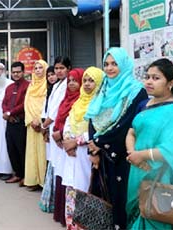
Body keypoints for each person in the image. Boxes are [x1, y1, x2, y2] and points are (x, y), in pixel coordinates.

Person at [126, 58, 173, 229]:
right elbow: (132, 131)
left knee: (157, 218)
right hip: (138, 171)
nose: (149, 81)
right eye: (147, 76)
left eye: (156, 78)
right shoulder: (146, 104)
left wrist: (141, 155)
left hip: (163, 178)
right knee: (138, 214)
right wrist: (132, 153)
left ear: (171, 83)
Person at [84, 47, 148, 229]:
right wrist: (92, 149)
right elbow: (92, 118)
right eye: (106, 64)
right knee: (102, 199)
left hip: (120, 156)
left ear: (124, 65)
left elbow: (128, 124)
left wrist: (99, 143)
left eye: (114, 64)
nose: (110, 68)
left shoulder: (136, 91)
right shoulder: (103, 88)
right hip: (100, 156)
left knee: (121, 201)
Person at [61, 67, 103, 228]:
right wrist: (67, 141)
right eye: (85, 80)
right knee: (72, 189)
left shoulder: (100, 104)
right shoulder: (79, 101)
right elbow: (68, 122)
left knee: (85, 189)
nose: (86, 84)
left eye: (91, 80)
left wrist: (76, 142)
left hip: (87, 153)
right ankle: (71, 225)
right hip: (71, 153)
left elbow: (98, 129)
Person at [39, 56, 71, 226]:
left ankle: (60, 207)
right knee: (55, 165)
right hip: (53, 129)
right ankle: (55, 204)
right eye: (56, 68)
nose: (58, 71)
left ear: (68, 68)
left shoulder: (67, 85)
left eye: (61, 68)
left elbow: (57, 110)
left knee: (60, 167)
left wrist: (45, 125)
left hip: (58, 129)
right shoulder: (57, 84)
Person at [52, 68, 84, 226]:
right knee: (64, 179)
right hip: (63, 144)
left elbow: (83, 125)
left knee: (77, 182)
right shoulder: (66, 98)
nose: (71, 83)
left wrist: (65, 136)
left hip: (77, 147)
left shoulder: (83, 99)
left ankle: (78, 221)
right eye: (69, 80)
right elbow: (60, 117)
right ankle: (64, 216)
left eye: (75, 80)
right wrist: (57, 132)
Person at [2, 61, 30, 184]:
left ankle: (25, 176)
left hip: (20, 123)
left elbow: (25, 104)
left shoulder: (28, 86)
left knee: (22, 150)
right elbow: (4, 103)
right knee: (11, 148)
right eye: (14, 72)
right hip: (10, 123)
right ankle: (17, 174)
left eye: (18, 72)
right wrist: (6, 114)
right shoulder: (9, 87)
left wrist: (10, 113)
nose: (16, 74)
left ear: (23, 72)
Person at [23, 60, 48, 189]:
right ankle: (33, 180)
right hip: (31, 124)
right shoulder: (31, 85)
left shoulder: (48, 85)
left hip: (42, 125)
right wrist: (31, 120)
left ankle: (43, 181)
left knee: (43, 153)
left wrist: (40, 120)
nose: (38, 70)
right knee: (32, 152)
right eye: (36, 68)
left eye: (40, 68)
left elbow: (47, 105)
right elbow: (26, 104)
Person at [39, 65, 59, 213]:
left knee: (55, 162)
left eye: (53, 74)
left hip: (55, 129)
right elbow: (46, 110)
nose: (51, 77)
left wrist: (44, 126)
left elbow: (55, 112)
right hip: (48, 128)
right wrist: (44, 127)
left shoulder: (60, 89)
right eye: (49, 75)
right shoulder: (51, 90)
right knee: (50, 160)